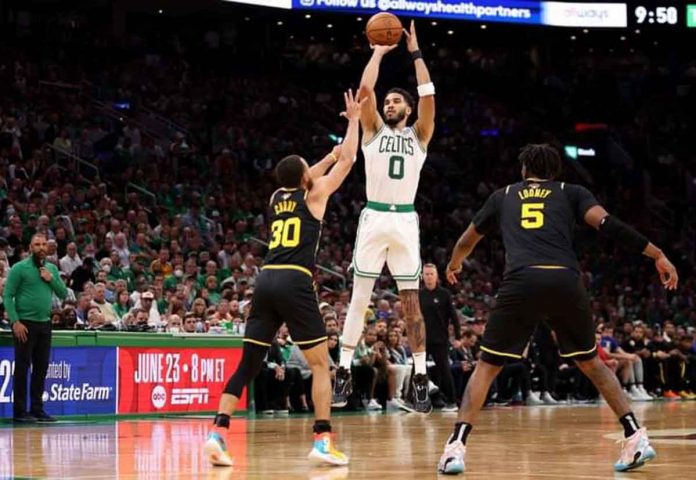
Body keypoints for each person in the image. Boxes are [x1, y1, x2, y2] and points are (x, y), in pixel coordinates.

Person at [438, 144, 679, 474]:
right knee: (592, 363)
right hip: (564, 280)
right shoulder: (571, 192)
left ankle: (455, 449)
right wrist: (656, 254)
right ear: (555, 173)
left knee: (487, 366)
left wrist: (454, 263)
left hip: (521, 280)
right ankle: (635, 436)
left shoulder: (504, 195)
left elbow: (469, 237)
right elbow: (609, 225)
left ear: (525, 171)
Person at [203, 89, 364, 467]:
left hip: (265, 280)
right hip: (294, 279)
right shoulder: (316, 195)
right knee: (322, 365)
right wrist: (354, 121)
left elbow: (310, 173)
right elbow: (351, 159)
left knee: (247, 364)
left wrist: (326, 156)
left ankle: (217, 433)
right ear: (307, 176)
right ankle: (323, 440)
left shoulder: (277, 196)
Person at [333, 21, 436, 414]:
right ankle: (342, 369)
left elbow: (428, 93)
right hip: (375, 217)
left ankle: (421, 378)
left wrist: (416, 54)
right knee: (360, 296)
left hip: (406, 221)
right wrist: (377, 52)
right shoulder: (373, 130)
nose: (389, 104)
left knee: (412, 304)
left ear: (407, 110)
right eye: (388, 101)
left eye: (396, 101)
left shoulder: (420, 135)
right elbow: (364, 94)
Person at [3, 233, 68, 422]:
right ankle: (20, 412)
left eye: (43, 244)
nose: (41, 247)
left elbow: (63, 293)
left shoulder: (52, 269)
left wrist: (51, 279)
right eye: (37, 244)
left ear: (48, 248)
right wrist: (15, 321)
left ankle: (37, 409)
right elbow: (7, 296)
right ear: (30, 248)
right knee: (22, 368)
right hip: (24, 324)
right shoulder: (19, 268)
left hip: (45, 324)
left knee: (41, 368)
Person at [420, 263, 460, 411]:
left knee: (444, 369)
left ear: (436, 276)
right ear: (422, 276)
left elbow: (454, 317)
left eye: (431, 274)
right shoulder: (419, 295)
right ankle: (413, 400)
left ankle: (452, 401)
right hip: (422, 339)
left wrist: (458, 336)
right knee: (417, 369)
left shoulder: (444, 294)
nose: (429, 277)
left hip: (440, 339)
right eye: (426, 274)